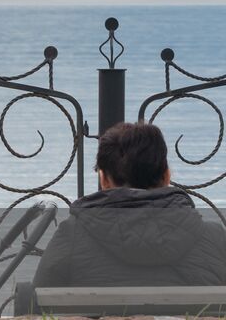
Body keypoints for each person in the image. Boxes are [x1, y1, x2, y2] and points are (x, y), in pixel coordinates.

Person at [33, 121, 226, 289]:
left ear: (104, 180)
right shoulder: (215, 237)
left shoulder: (72, 234)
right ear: (167, 176)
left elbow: (37, 304)